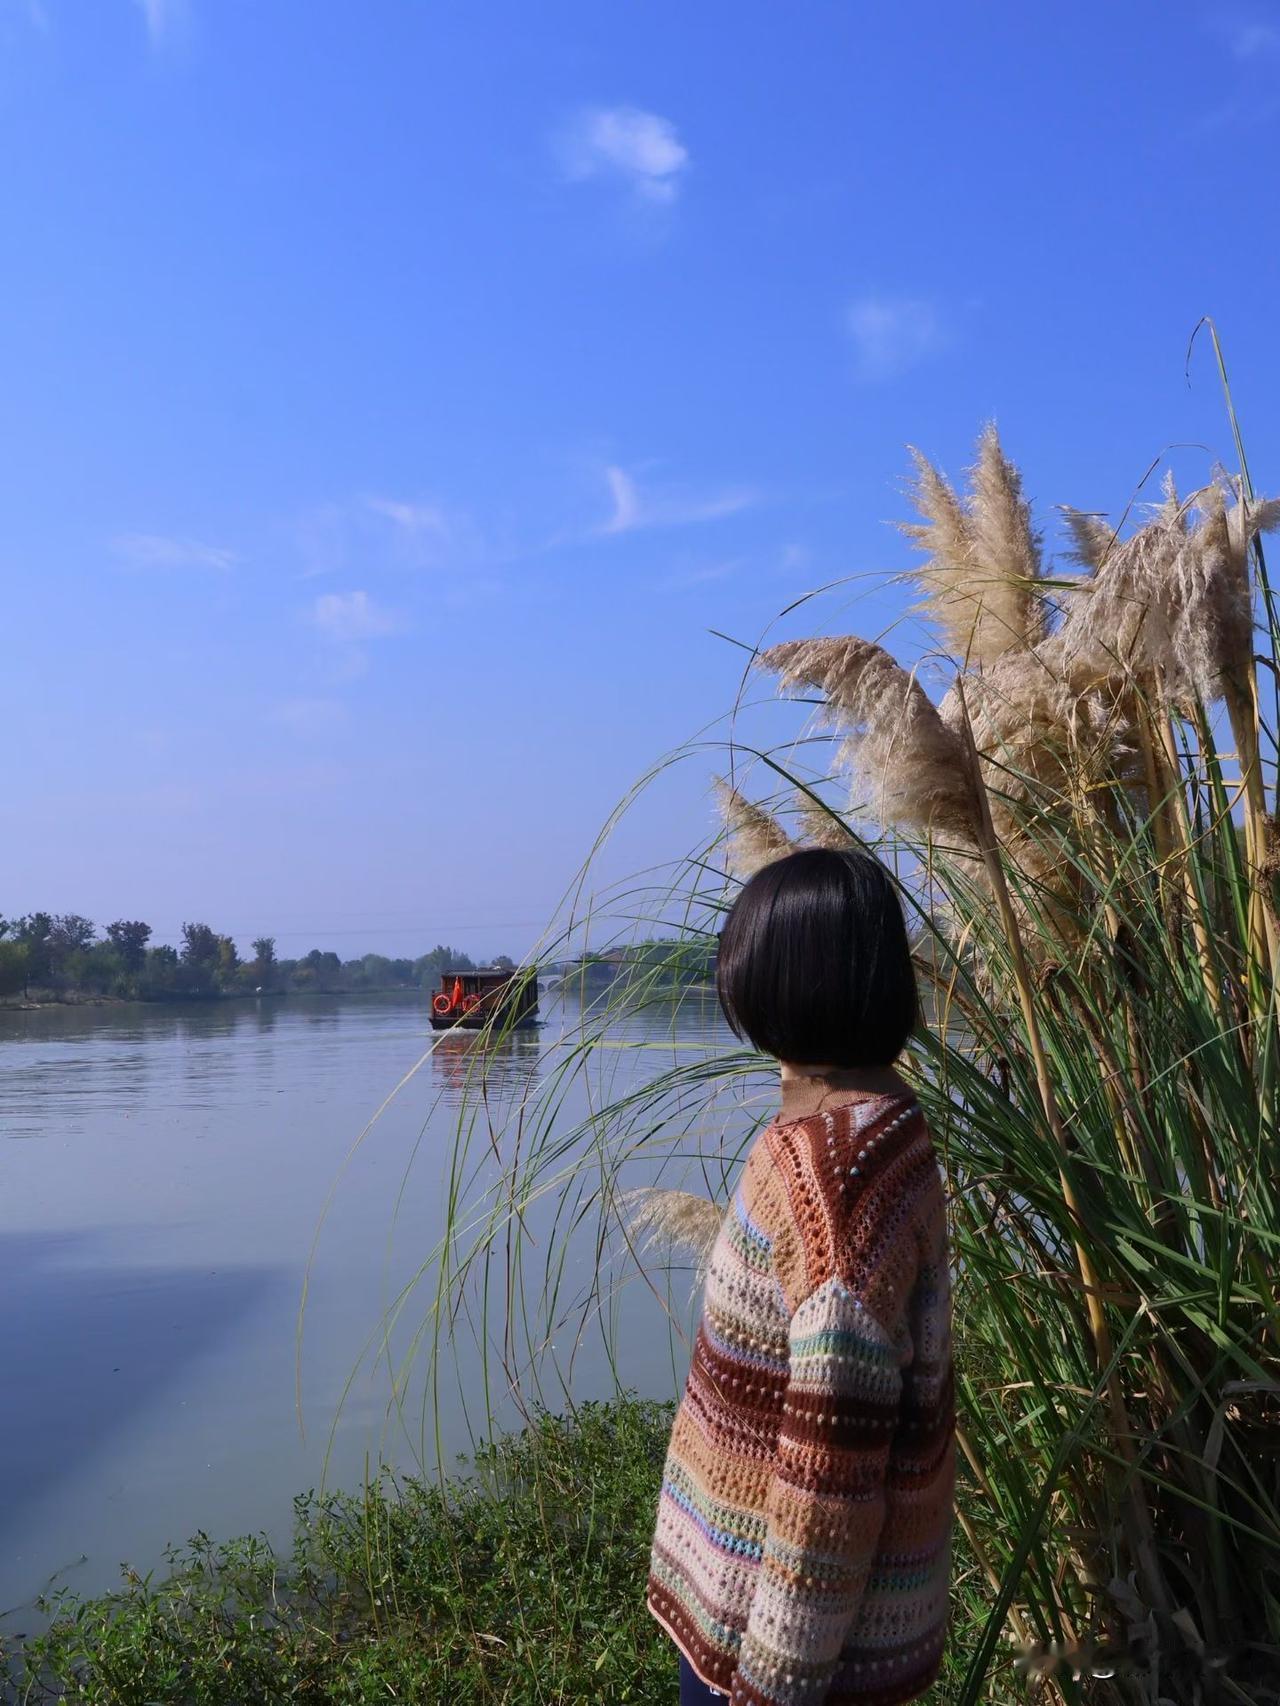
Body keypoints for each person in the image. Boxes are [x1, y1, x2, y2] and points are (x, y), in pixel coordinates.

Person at [646, 847, 955, 1706]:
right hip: (812, 1638)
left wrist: (774, 1683)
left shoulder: (834, 1174)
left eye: (745, 972)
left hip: (780, 1658)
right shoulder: (884, 1129)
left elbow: (831, 1463)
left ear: (791, 984)